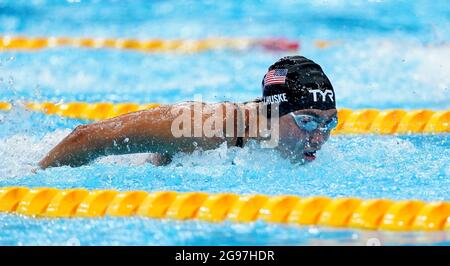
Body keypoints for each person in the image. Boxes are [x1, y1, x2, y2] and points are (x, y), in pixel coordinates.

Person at [38, 56, 338, 169]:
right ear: (273, 113)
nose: (319, 138)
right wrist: (35, 178)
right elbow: (89, 136)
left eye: (329, 123)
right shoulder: (204, 126)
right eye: (307, 121)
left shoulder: (281, 134)